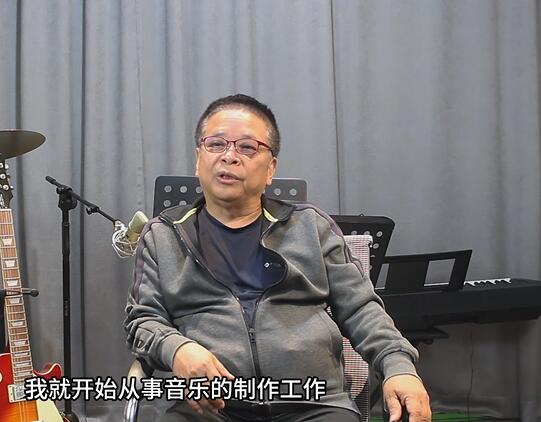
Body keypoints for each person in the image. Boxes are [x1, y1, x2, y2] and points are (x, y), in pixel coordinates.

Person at [124, 94, 431, 422]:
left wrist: (398, 366)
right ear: (198, 159)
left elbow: (361, 309)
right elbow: (142, 321)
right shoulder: (163, 235)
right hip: (211, 409)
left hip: (314, 404)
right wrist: (177, 349)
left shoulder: (310, 226)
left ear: (271, 168)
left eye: (247, 147)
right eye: (215, 144)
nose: (229, 156)